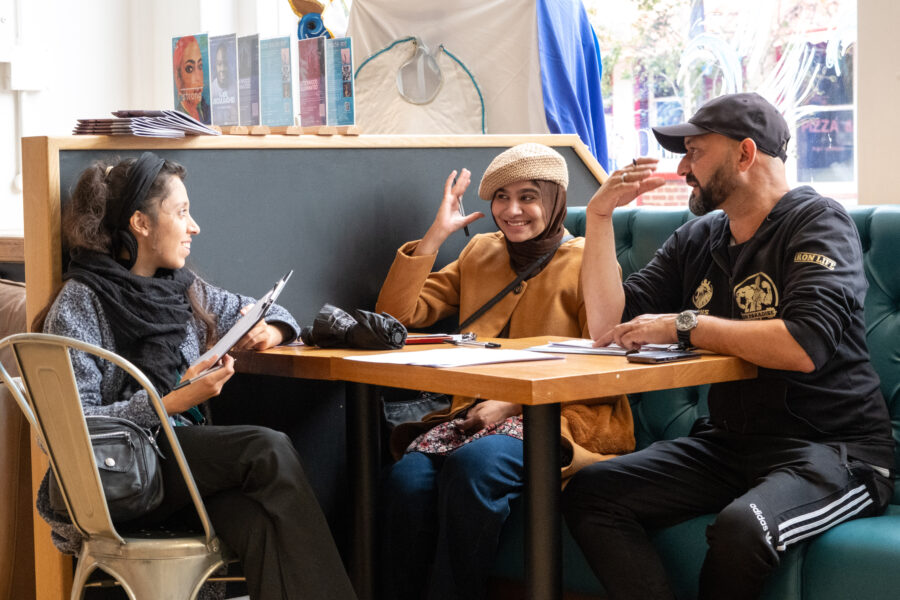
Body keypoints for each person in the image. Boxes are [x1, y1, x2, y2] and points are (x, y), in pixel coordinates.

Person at [562, 92, 895, 600]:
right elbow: (608, 326)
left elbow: (803, 345)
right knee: (592, 493)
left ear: (744, 154)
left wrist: (686, 325)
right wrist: (602, 217)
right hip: (731, 443)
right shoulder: (697, 238)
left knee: (743, 528)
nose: (682, 167)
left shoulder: (819, 222)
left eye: (695, 152)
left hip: (836, 451)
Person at [35, 152, 357, 600]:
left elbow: (274, 308)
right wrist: (168, 403)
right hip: (114, 478)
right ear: (141, 224)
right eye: (182, 212)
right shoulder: (81, 303)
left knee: (257, 522)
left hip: (175, 471)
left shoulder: (183, 289)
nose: (194, 226)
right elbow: (68, 427)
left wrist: (271, 329)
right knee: (266, 446)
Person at [375, 143, 635, 600]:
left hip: (567, 416)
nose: (512, 210)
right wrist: (435, 236)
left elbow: (604, 345)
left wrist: (515, 401)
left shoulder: (585, 260)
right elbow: (397, 313)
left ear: (554, 200)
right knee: (407, 480)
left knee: (476, 465)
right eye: (501, 197)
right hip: (474, 417)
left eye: (529, 196)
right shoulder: (480, 252)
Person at [173, 35, 211, 124]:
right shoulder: (178, 119)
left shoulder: (208, 111)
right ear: (178, 77)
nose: (198, 78)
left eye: (200, 66)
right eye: (189, 68)